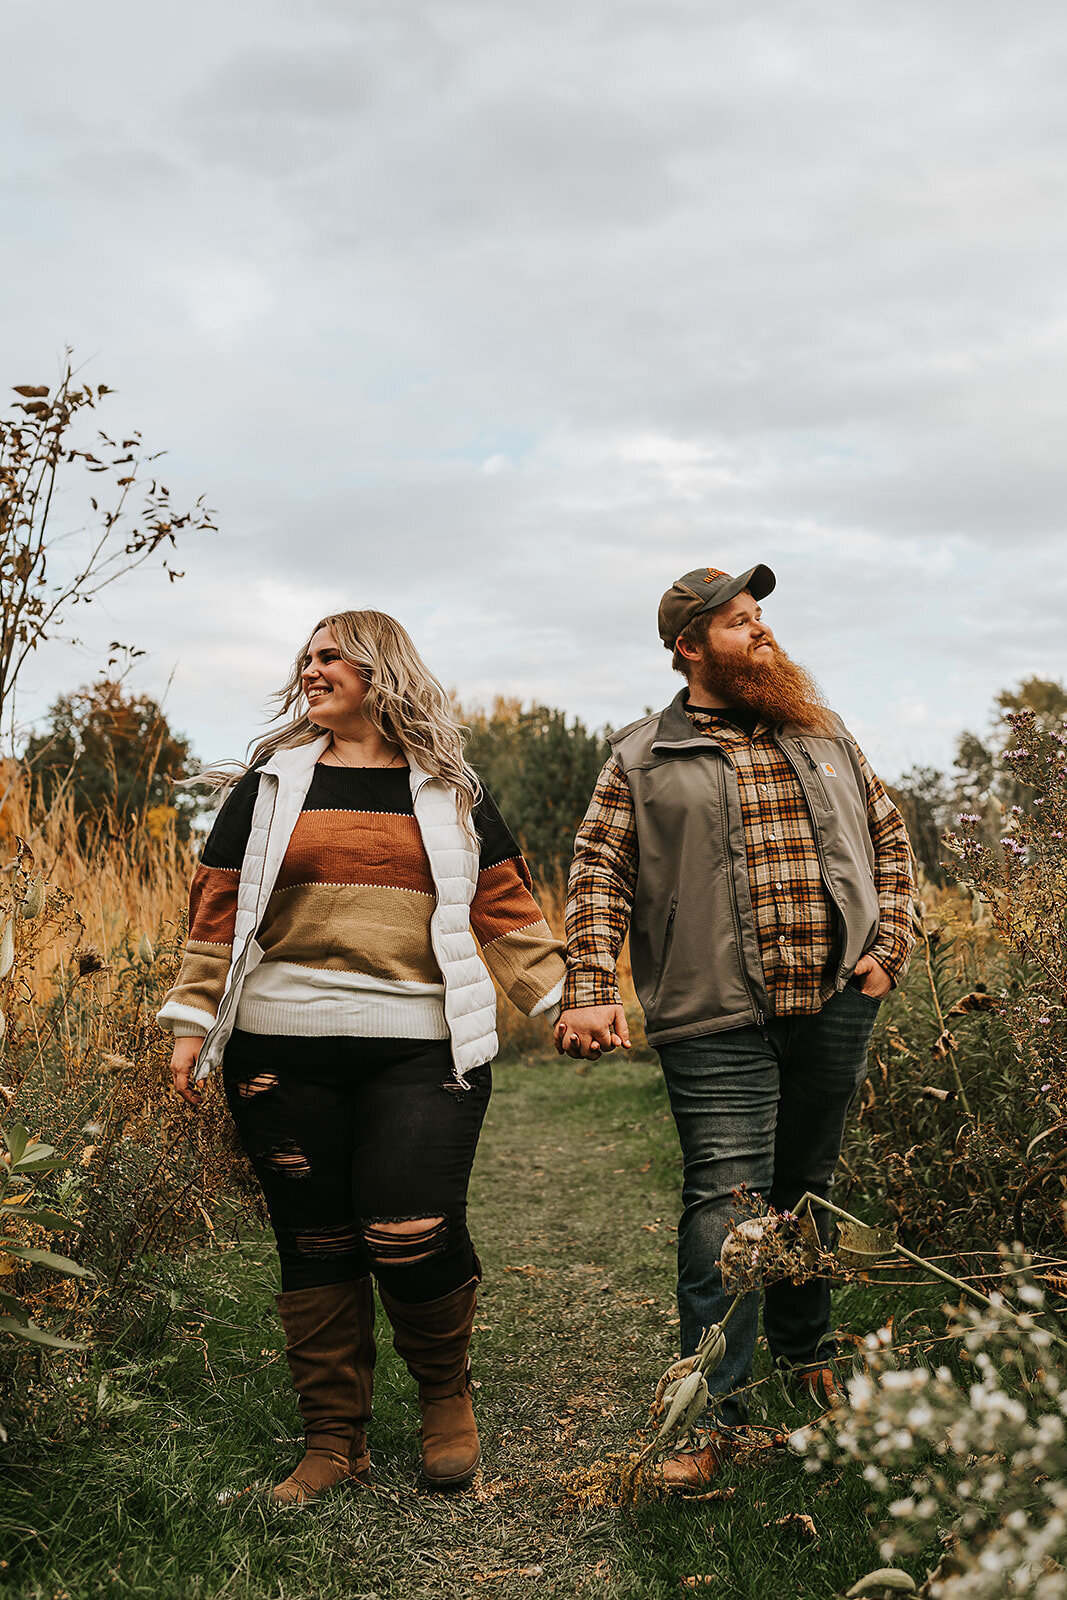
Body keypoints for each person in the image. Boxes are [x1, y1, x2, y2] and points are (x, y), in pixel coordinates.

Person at [161, 610, 565, 1504]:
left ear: (381, 671)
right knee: (314, 1238)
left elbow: (504, 909)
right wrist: (192, 1026)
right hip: (278, 1046)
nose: (311, 668)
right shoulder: (267, 788)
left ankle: (443, 1398)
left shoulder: (450, 790)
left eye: (330, 654)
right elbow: (215, 915)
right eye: (304, 657)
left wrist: (563, 1004)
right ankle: (333, 1439)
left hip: (421, 1044)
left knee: (406, 1227)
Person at [554, 563, 914, 1488]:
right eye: (740, 622)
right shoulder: (641, 756)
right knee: (728, 1204)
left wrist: (889, 949)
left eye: (761, 619)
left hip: (836, 1001)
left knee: (807, 1192)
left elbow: (891, 842)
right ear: (687, 646)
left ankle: (807, 1360)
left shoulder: (823, 735)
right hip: (713, 1014)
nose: (762, 633)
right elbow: (597, 873)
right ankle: (704, 1418)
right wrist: (592, 983)